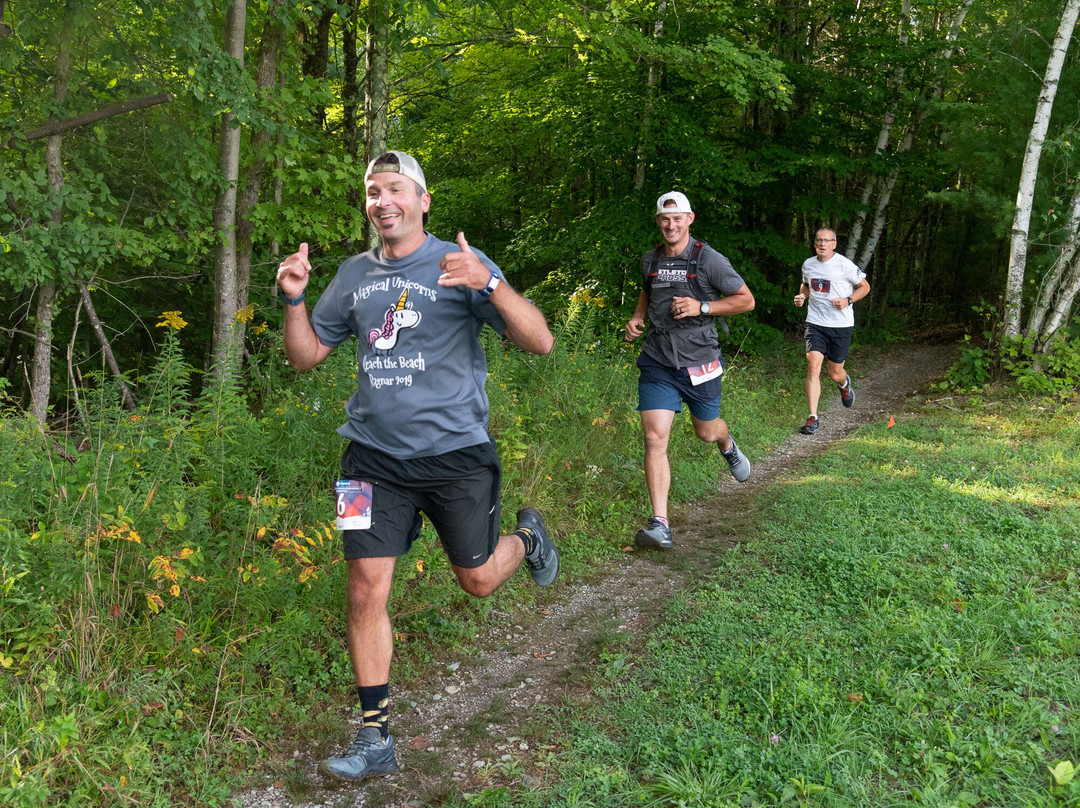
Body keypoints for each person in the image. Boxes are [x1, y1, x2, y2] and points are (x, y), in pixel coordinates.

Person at [275, 151, 560, 782]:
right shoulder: (351, 275)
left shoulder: (459, 266)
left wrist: (489, 283)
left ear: (424, 200)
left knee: (479, 580)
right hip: (369, 459)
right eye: (374, 191)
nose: (383, 201)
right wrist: (292, 299)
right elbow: (305, 357)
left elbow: (539, 340)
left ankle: (529, 537)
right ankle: (375, 737)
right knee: (363, 588)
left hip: (456, 455)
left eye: (396, 189)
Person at [624, 191, 755, 550]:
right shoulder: (649, 259)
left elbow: (746, 300)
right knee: (654, 438)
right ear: (658, 221)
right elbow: (647, 293)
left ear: (690, 219)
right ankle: (660, 524)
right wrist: (637, 317)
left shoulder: (708, 259)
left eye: (677, 218)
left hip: (700, 360)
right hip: (658, 359)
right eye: (665, 219)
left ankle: (727, 444)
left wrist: (703, 306)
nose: (671, 224)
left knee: (706, 432)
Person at [793, 228, 870, 435]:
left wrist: (848, 300)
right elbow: (806, 285)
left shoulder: (844, 265)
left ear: (834, 244)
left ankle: (844, 383)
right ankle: (812, 418)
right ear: (815, 243)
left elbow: (865, 286)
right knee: (813, 365)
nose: (822, 244)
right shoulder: (808, 264)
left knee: (834, 373)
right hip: (815, 322)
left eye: (827, 241)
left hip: (841, 325)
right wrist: (802, 296)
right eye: (819, 240)